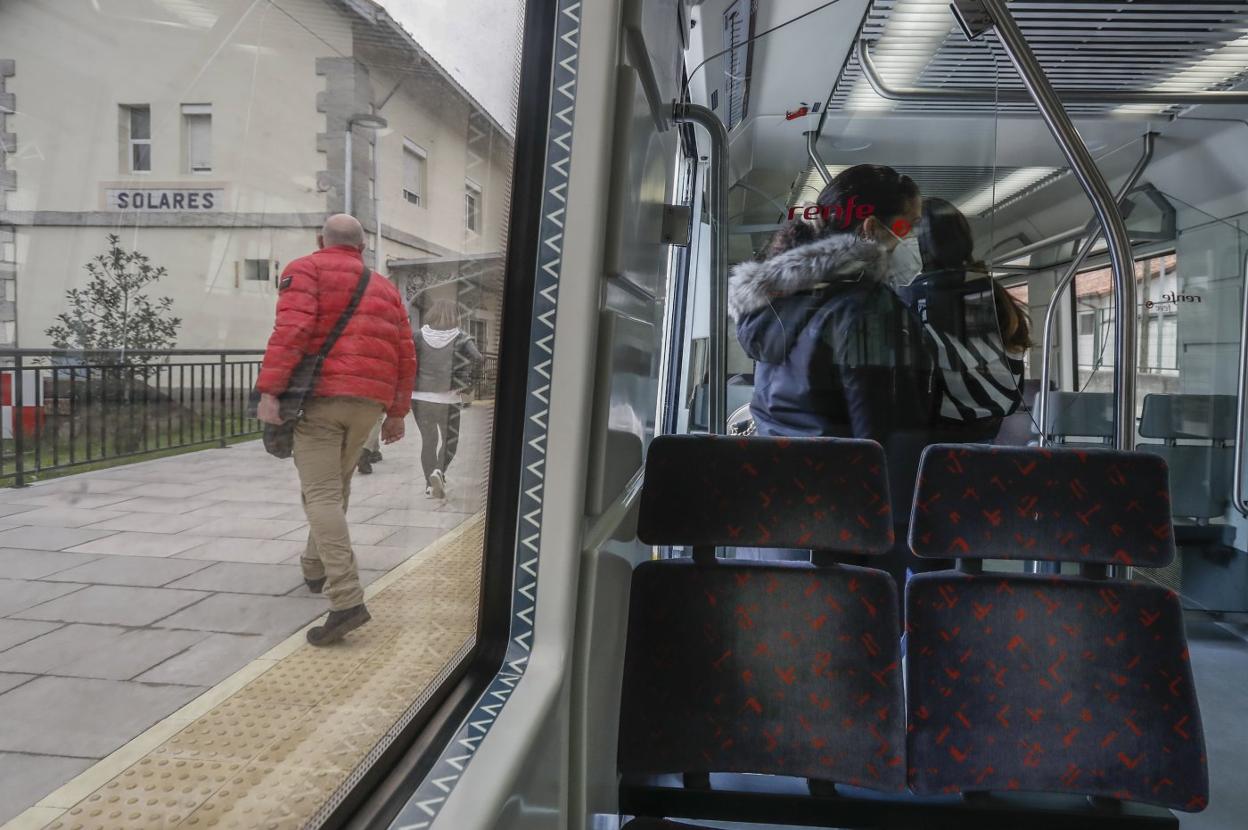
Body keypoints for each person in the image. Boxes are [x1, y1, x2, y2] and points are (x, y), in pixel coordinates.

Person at [729, 164, 933, 569]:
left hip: (768, 508)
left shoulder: (784, 293)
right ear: (873, 228)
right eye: (907, 228)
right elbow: (874, 436)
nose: (911, 240)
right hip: (834, 522)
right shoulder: (867, 306)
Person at [257, 214, 416, 645]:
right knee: (335, 485)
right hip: (369, 404)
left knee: (321, 494)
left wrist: (270, 391)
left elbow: (292, 331)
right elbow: (405, 351)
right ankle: (314, 566)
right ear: (362, 248)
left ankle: (346, 600)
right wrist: (398, 412)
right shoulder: (384, 287)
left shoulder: (304, 269)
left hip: (320, 401)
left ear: (320, 239)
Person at [901, 196, 1031, 442]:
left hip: (933, 435)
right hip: (989, 432)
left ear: (919, 245)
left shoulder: (914, 297)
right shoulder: (995, 293)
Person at [411, 299, 482, 499]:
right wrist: (467, 383)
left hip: (419, 397)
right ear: (455, 316)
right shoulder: (461, 337)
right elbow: (478, 358)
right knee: (451, 440)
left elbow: (407, 360)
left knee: (429, 440)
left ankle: (429, 484)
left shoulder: (416, 336)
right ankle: (439, 472)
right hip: (448, 398)